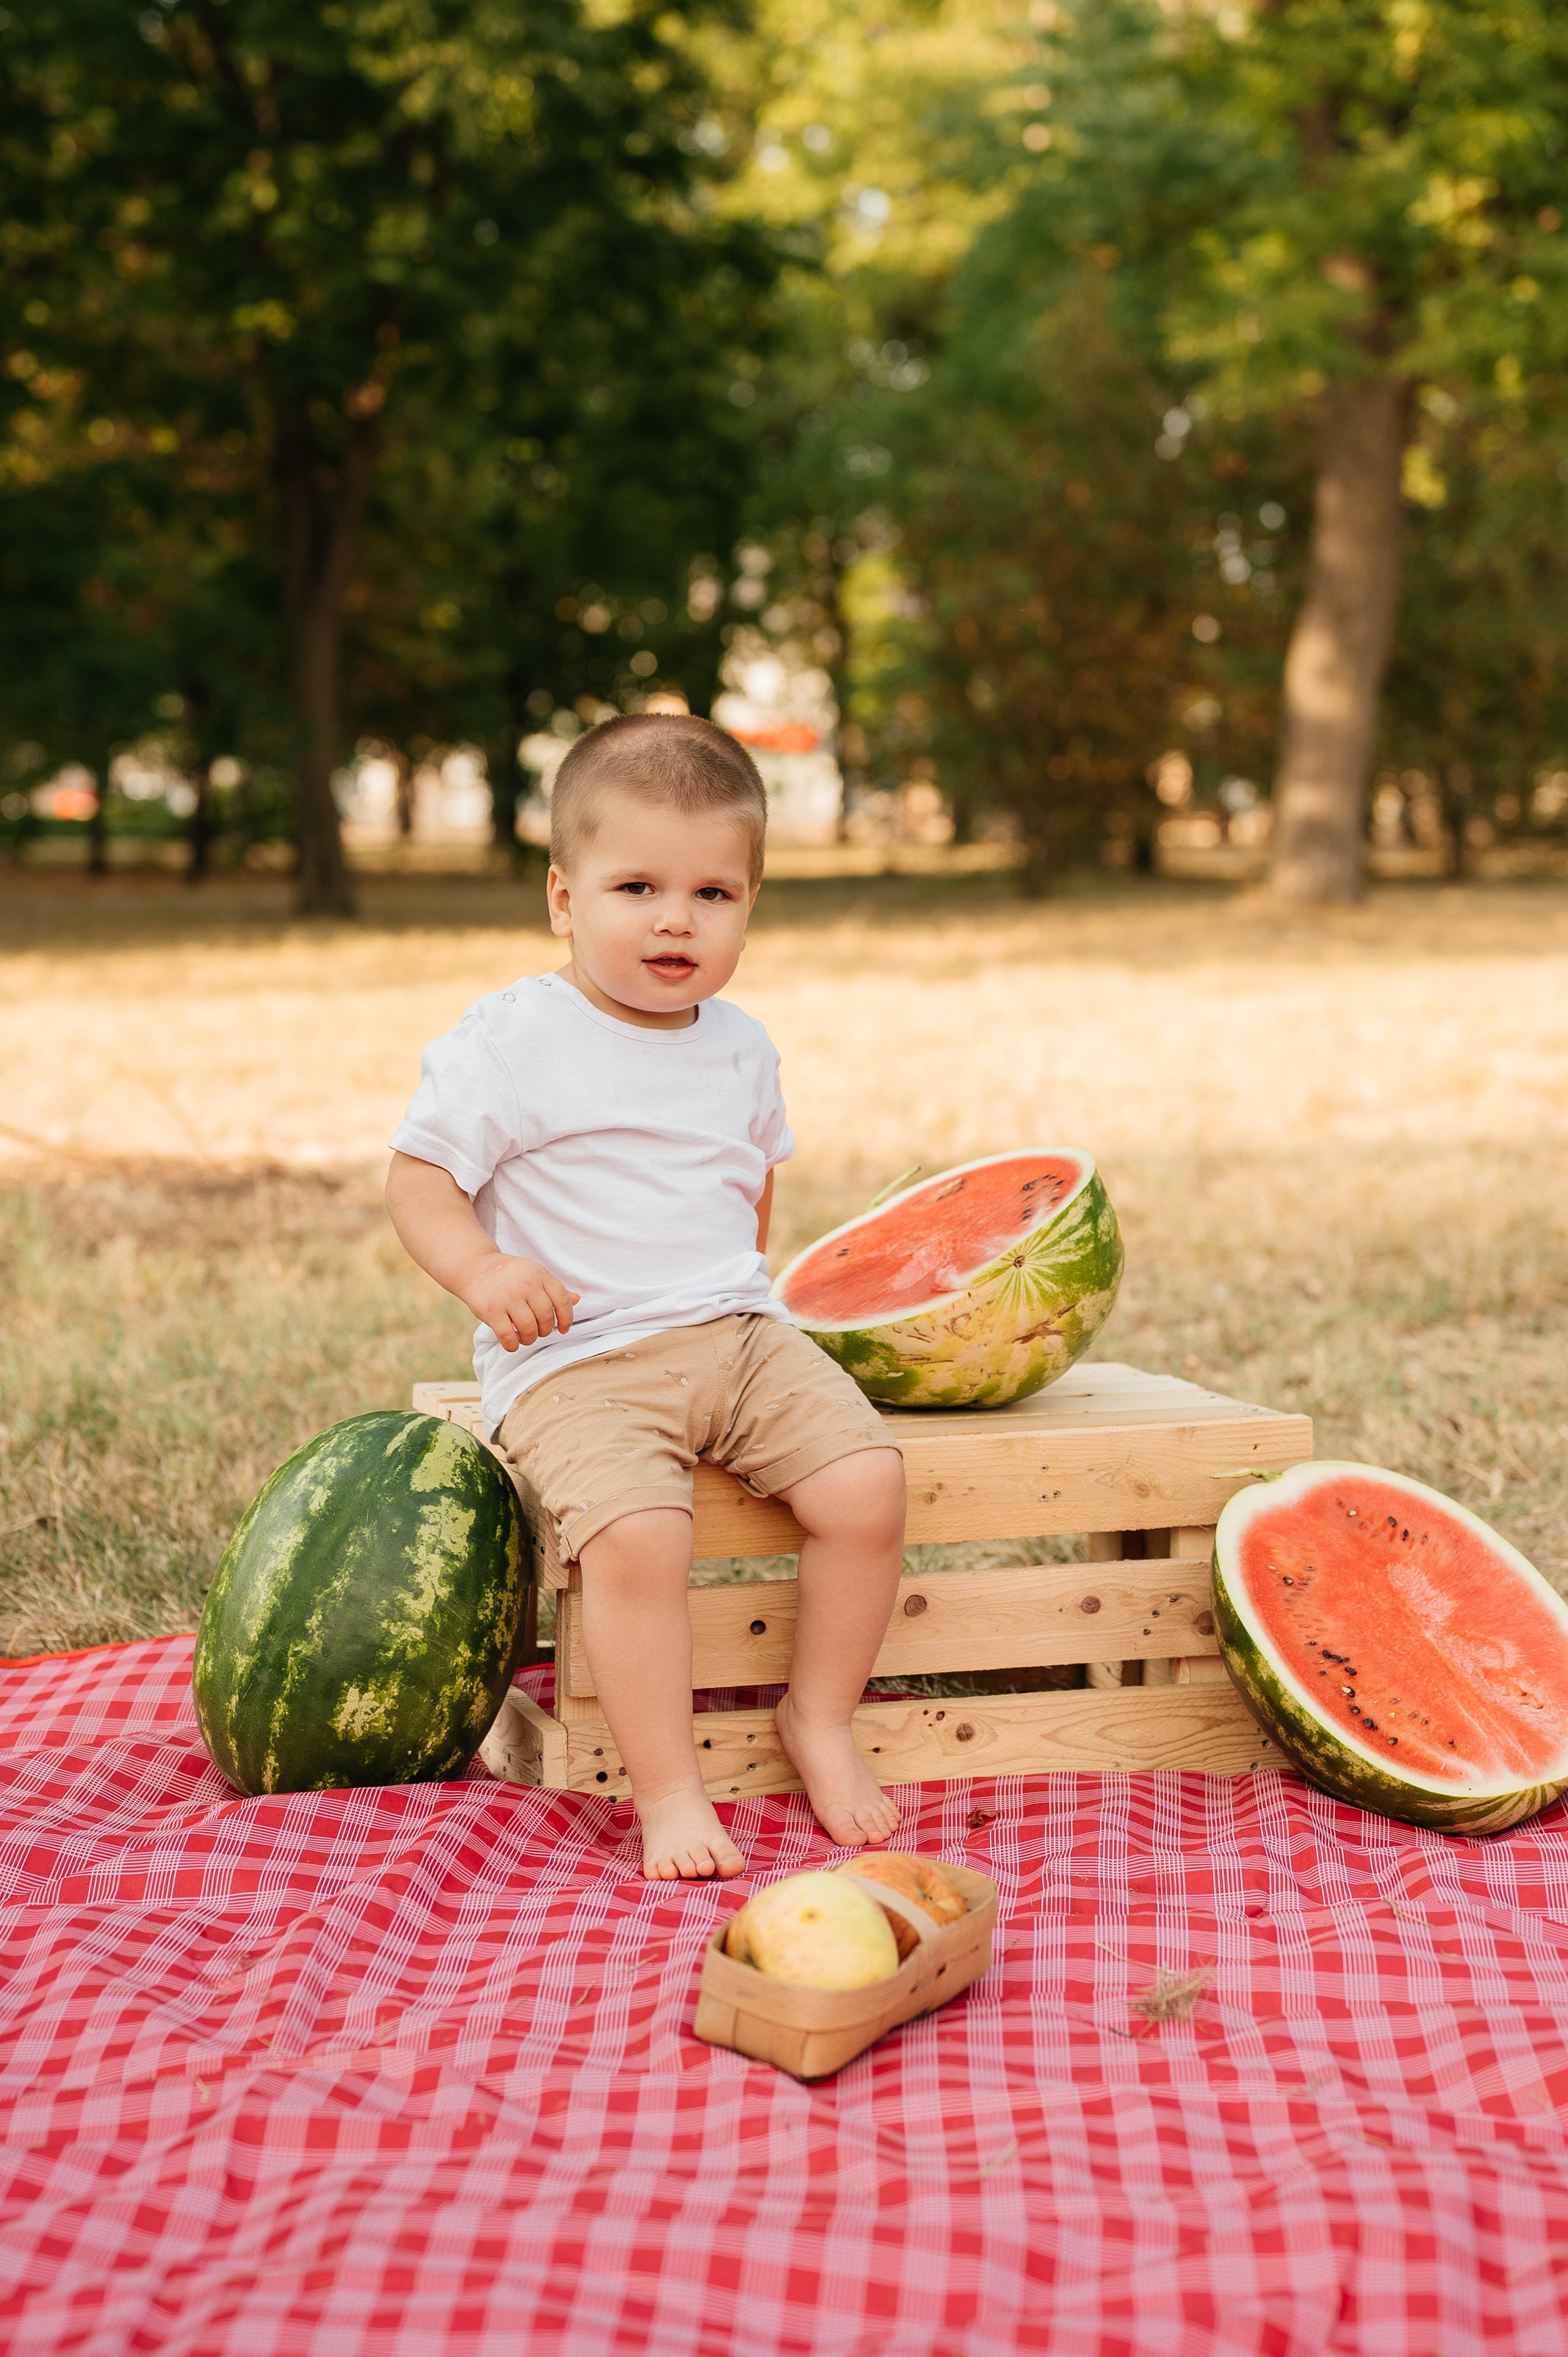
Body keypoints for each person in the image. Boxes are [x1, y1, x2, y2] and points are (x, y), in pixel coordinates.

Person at [385, 712, 907, 1880]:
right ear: (565, 898)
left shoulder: (741, 1045)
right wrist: (485, 1270)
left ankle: (817, 1718)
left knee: (869, 1489)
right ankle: (668, 1792)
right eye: (637, 886)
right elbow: (418, 1178)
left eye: (714, 894)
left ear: (750, 906)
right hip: (578, 1356)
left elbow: (751, 1181)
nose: (677, 919)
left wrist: (743, 1299)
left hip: (736, 1335)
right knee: (638, 1540)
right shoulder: (516, 1040)